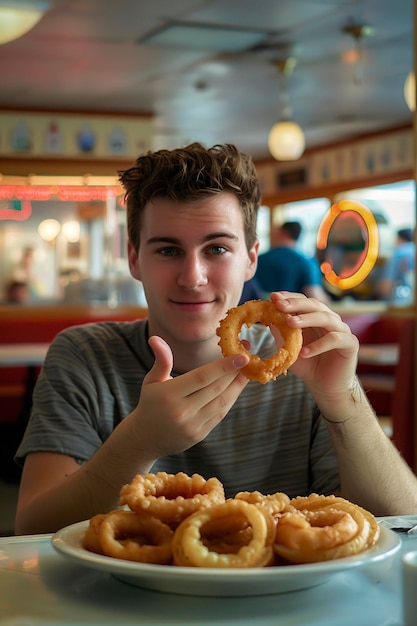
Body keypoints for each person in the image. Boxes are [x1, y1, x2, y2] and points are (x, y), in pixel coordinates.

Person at [14, 143, 417, 535]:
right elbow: (32, 529)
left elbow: (404, 521)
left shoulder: (305, 366)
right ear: (135, 259)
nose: (193, 277)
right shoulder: (84, 355)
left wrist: (342, 397)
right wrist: (137, 443)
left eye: (218, 248)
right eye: (168, 251)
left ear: (251, 258)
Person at [255, 221, 329, 302]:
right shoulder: (307, 262)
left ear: (281, 232)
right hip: (290, 312)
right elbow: (315, 296)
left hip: (259, 310)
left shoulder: (258, 259)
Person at [377, 227, 415, 303]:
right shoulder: (413, 251)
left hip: (399, 303)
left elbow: (385, 288)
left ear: (400, 239)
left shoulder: (397, 254)